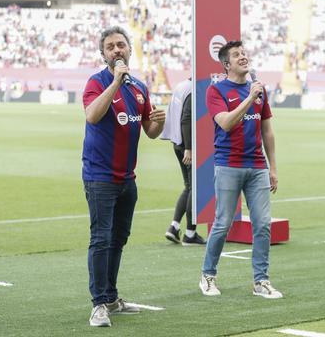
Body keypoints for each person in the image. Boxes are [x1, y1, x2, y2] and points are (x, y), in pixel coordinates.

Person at [82, 26, 166, 327]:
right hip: (100, 177)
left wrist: (159, 121)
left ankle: (112, 297)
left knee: (118, 239)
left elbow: (150, 132)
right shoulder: (97, 82)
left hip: (127, 179)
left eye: (121, 45)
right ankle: (98, 304)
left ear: (129, 49)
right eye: (110, 47)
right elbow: (92, 115)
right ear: (103, 54)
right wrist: (115, 82)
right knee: (101, 239)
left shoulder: (139, 88)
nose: (116, 50)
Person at [199, 40, 282, 299]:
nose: (243, 57)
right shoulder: (216, 91)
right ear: (226, 64)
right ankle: (208, 275)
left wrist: (273, 167)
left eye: (244, 53)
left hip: (257, 166)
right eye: (236, 55)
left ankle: (261, 281)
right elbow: (225, 123)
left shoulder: (260, 91)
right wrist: (249, 98)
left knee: (263, 225)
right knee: (223, 223)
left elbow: (267, 130)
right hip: (228, 165)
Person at [161, 78, 206, 245]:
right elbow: (186, 118)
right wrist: (189, 147)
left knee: (189, 186)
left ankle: (174, 227)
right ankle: (190, 233)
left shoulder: (181, 85)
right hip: (187, 146)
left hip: (177, 142)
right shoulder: (194, 90)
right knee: (195, 188)